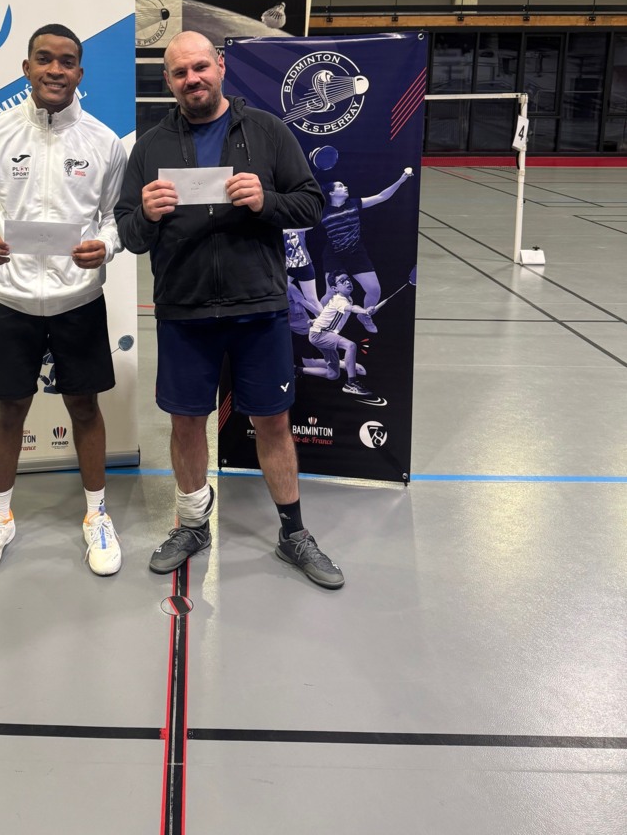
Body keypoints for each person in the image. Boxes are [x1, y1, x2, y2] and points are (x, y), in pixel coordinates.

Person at [115, 30, 345, 590]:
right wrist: (146, 213)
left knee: (272, 421)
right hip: (184, 310)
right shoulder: (150, 147)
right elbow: (129, 233)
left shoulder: (267, 131)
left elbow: (311, 204)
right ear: (167, 81)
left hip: (258, 308)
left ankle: (293, 533)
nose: (191, 79)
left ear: (220, 66)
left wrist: (267, 201)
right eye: (179, 73)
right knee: (186, 421)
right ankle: (193, 525)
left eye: (200, 67)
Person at [0, 23, 127, 577]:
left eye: (67, 61)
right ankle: (0, 517)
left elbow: (115, 217)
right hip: (10, 298)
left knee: (85, 407)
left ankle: (96, 515)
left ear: (80, 72)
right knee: (10, 409)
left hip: (79, 299)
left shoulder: (104, 141)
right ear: (26, 68)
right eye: (45, 59)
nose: (56, 69)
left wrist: (106, 245)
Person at [313, 170, 413, 333]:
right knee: (331, 293)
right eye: (340, 186)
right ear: (331, 193)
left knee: (374, 290)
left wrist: (401, 180)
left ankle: (364, 316)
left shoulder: (354, 203)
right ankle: (321, 319)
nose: (345, 187)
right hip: (334, 255)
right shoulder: (321, 211)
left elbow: (381, 196)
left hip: (356, 253)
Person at [308, 271, 378, 400]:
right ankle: (351, 383)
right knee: (350, 346)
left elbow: (329, 312)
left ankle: (297, 370)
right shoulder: (340, 300)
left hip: (321, 333)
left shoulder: (346, 299)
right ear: (335, 288)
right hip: (320, 335)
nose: (347, 282)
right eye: (342, 281)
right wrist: (364, 311)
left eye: (348, 279)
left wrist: (315, 321)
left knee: (333, 374)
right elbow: (352, 308)